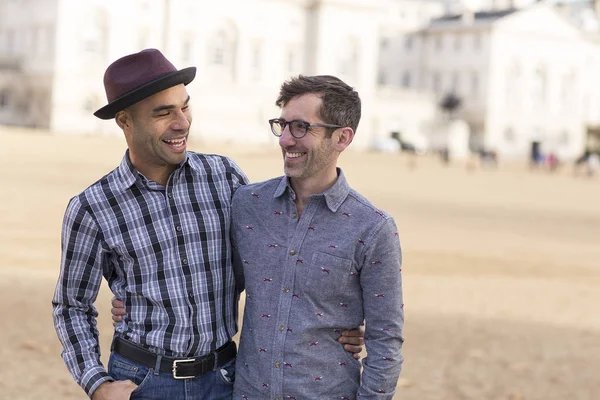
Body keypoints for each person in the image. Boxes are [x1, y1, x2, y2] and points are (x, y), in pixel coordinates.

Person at [52, 49, 362, 400]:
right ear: (125, 121)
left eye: (184, 106)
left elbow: (274, 261)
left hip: (226, 380)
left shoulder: (225, 177)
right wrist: (98, 384)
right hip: (142, 383)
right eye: (163, 112)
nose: (182, 122)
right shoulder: (92, 207)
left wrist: (338, 318)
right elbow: (71, 305)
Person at [230, 76, 404, 399]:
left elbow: (386, 343)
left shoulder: (374, 229)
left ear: (342, 137)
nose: (284, 139)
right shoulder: (247, 205)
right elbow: (216, 288)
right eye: (281, 125)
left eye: (300, 127)